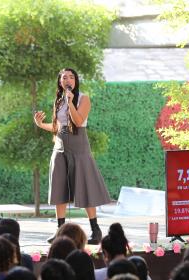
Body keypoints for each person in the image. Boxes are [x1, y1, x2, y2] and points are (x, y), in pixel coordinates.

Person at [34, 68, 111, 245]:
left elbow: (77, 121)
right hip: (60, 148)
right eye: (64, 77)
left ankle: (95, 230)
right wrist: (40, 124)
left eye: (71, 77)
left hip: (79, 148)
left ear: (75, 81)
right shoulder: (58, 101)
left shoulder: (83, 98)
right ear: (60, 82)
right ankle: (60, 232)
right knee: (59, 189)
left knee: (85, 187)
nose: (67, 79)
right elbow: (57, 127)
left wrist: (70, 102)